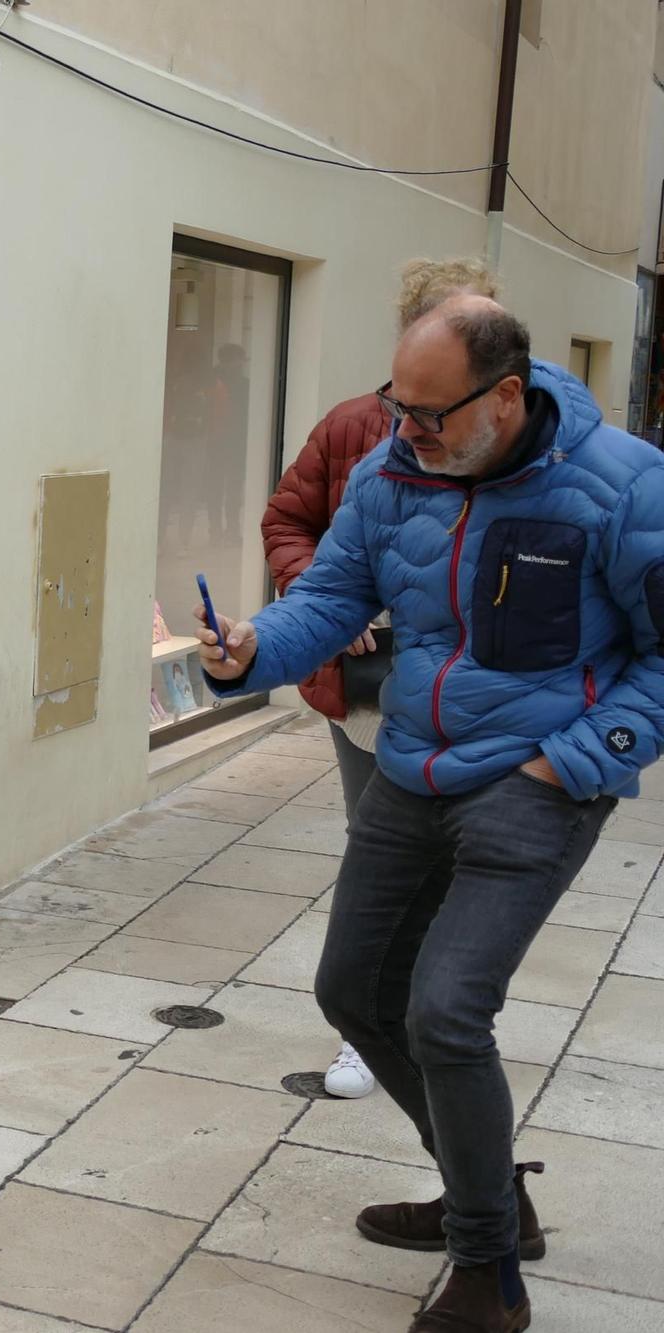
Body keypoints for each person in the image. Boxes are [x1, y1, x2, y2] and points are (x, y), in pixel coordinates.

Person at [201, 294, 664, 1332]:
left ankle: (486, 1268)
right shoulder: (388, 473)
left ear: (503, 398)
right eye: (393, 406)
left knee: (444, 1012)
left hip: (533, 783)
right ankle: (487, 1188)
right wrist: (249, 651)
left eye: (427, 414)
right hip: (408, 771)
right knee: (353, 992)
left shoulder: (624, 486)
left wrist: (575, 762)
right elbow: (326, 599)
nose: (403, 432)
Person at [262, 257, 502, 1101]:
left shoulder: (519, 443)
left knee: (464, 862)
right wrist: (317, 593)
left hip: (475, 696)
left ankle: (444, 1015)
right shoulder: (354, 429)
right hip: (367, 684)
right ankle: (373, 1026)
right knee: (380, 846)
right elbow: (288, 519)